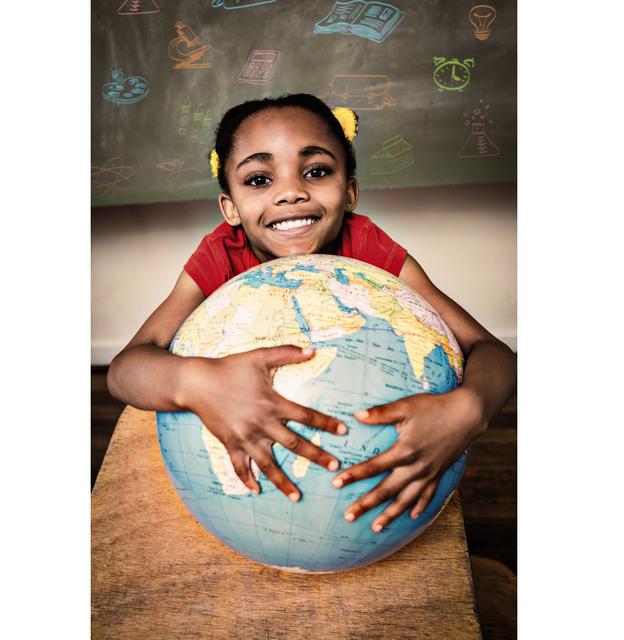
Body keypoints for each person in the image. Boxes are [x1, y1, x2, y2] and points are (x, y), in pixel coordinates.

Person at [107, 93, 516, 533]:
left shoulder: (367, 248)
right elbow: (126, 369)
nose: (290, 192)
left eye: (316, 171)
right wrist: (197, 383)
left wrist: (469, 409)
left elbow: (491, 351)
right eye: (259, 179)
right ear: (230, 208)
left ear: (351, 192)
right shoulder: (222, 255)